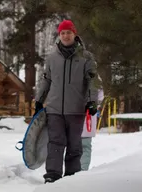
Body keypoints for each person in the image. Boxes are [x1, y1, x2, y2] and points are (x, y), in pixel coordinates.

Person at [34, 19, 97, 183]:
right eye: (62, 33)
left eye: (68, 32)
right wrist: (39, 100)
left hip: (76, 109)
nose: (65, 35)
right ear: (59, 35)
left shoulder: (86, 57)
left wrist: (92, 102)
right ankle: (52, 174)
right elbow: (46, 80)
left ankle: (72, 175)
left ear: (74, 34)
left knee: (74, 144)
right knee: (55, 141)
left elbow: (92, 81)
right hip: (54, 109)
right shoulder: (52, 57)